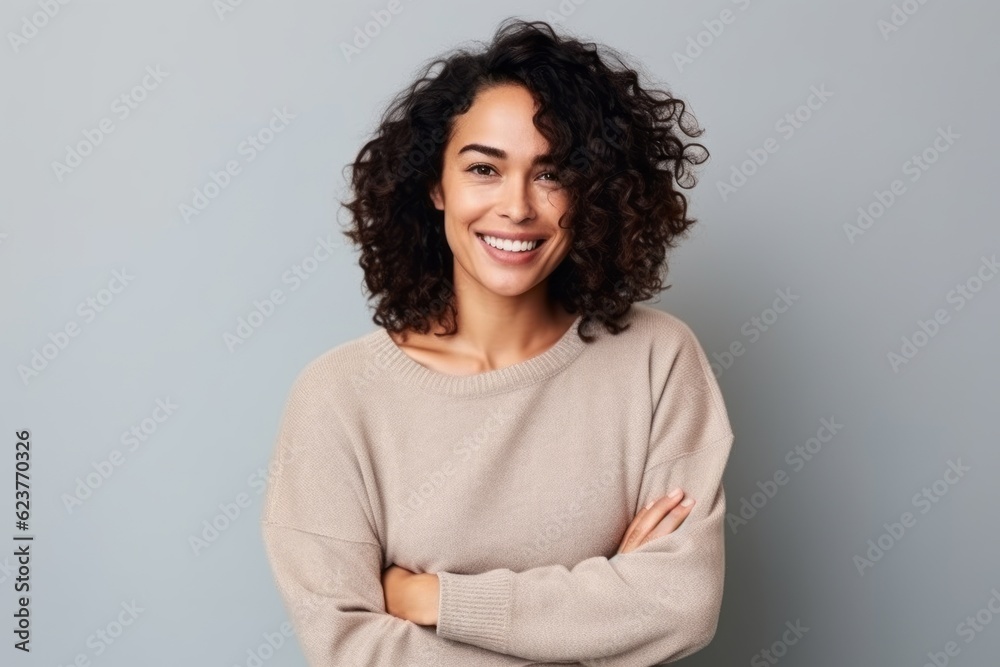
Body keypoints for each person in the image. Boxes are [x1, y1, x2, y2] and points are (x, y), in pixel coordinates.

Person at [260, 17, 735, 667]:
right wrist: (596, 623)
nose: (516, 207)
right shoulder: (339, 396)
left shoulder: (658, 359)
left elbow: (680, 604)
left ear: (590, 190)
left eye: (550, 173)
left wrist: (432, 598)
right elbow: (347, 647)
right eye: (485, 168)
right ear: (436, 184)